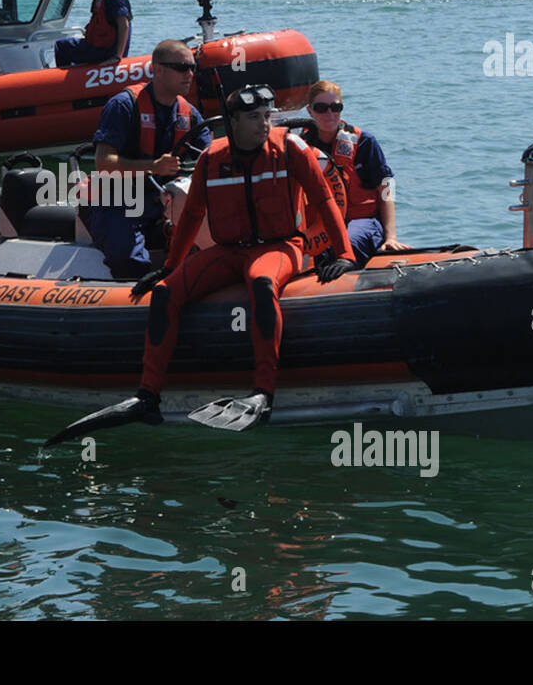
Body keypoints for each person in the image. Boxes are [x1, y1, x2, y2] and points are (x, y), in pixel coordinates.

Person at [46, 84, 356, 444]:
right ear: (233, 121)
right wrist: (171, 266)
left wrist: (345, 255)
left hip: (279, 246)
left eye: (267, 117)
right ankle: (147, 396)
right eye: (254, 118)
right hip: (228, 251)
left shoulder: (290, 148)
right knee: (165, 293)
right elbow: (191, 216)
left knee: (262, 283)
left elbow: (323, 199)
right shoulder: (213, 158)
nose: (263, 125)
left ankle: (263, 394)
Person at [87, 39, 211, 278]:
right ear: (158, 70)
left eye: (193, 67)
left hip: (163, 200)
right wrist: (152, 167)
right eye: (182, 67)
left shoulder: (189, 114)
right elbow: (103, 162)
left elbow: (210, 155)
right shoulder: (124, 106)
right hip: (119, 199)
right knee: (130, 261)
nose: (190, 74)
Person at [299, 80, 411, 265]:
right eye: (321, 108)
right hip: (320, 225)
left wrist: (391, 237)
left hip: (362, 220)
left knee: (348, 243)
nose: (330, 114)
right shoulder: (299, 145)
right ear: (310, 111)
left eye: (336, 107)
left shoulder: (364, 142)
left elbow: (386, 189)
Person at [54, 0, 131, 68]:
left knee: (61, 46)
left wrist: (117, 56)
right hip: (101, 45)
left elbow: (124, 24)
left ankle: (65, 83)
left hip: (107, 50)